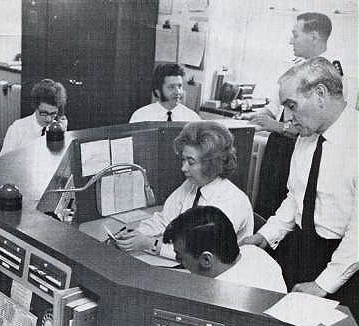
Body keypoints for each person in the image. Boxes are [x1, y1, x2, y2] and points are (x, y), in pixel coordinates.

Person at [242, 57, 357, 318]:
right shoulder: (307, 137)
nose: (289, 119)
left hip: (347, 266)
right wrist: (266, 234)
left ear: (320, 94)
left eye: (292, 106)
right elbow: (297, 196)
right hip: (302, 250)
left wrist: (322, 285)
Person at [244, 12, 349, 218]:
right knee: (266, 206)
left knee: (292, 207)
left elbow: (320, 126)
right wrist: (254, 118)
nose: (291, 40)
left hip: (301, 146)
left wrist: (276, 126)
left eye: (295, 34)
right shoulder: (294, 68)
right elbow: (274, 107)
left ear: (314, 36)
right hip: (278, 149)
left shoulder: (333, 74)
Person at [116, 121, 253, 259]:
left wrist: (150, 244)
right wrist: (136, 234)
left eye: (191, 162)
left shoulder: (233, 201)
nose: (183, 168)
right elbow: (164, 220)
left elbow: (201, 253)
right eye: (183, 160)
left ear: (212, 164)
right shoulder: (191, 185)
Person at [163, 206, 287, 293]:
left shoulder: (216, 295)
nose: (177, 260)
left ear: (207, 259)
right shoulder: (253, 251)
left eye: (179, 256)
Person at [0, 79, 68, 155]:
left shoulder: (57, 129)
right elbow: (3, 163)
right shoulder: (18, 128)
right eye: (44, 113)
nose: (48, 119)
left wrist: (64, 134)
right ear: (35, 106)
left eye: (53, 113)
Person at [129, 63, 201, 123]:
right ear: (158, 91)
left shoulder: (193, 119)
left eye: (179, 86)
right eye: (171, 87)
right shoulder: (140, 117)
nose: (178, 92)